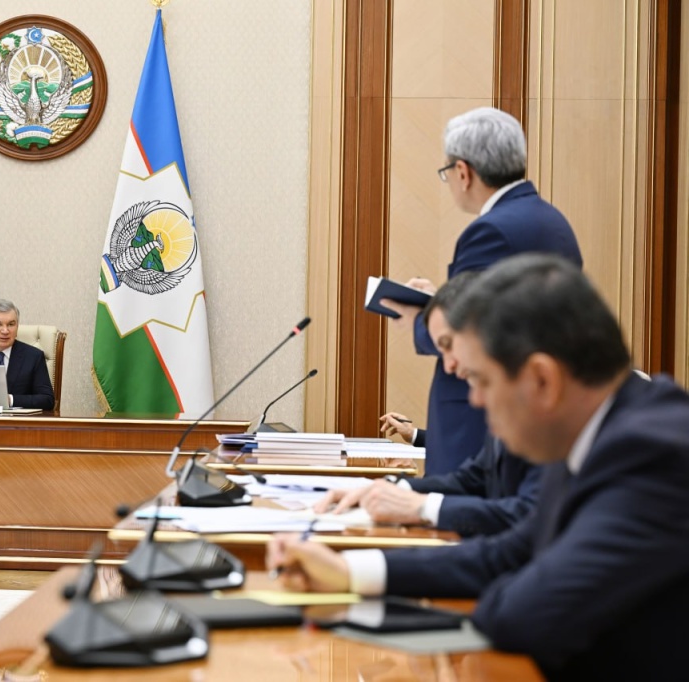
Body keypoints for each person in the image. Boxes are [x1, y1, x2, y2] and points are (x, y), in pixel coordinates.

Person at [269, 254, 689, 680]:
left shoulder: (655, 455)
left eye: (483, 380)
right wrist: (347, 571)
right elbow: (506, 554)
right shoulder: (590, 432)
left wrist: (516, 581)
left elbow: (524, 614)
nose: (474, 399)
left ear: (542, 381)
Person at [383, 107, 583, 476]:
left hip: (478, 422)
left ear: (463, 171)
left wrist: (418, 319)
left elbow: (470, 333)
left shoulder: (490, 231)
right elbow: (505, 317)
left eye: (448, 172)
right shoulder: (553, 222)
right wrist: (442, 301)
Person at [320, 273, 541, 537]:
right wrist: (389, 489)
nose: (448, 366)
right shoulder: (508, 401)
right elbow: (475, 478)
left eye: (448, 346)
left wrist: (422, 507)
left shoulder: (543, 410)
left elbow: (526, 518)